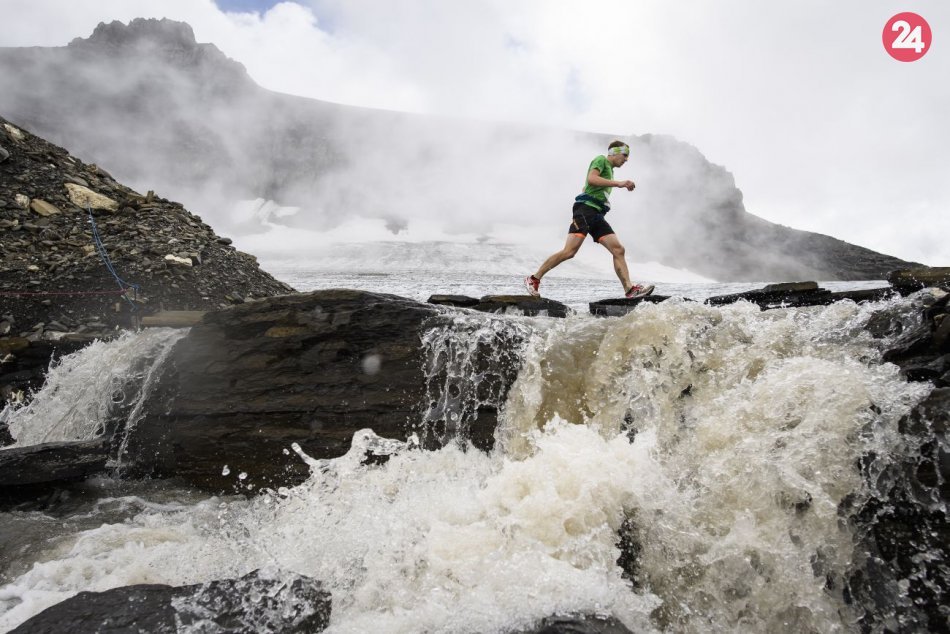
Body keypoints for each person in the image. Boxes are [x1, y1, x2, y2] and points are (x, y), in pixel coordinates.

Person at [524, 140, 654, 299]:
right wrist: (619, 183)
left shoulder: (610, 170)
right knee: (569, 252)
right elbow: (592, 179)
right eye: (624, 155)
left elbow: (589, 185)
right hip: (585, 210)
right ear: (613, 152)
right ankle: (533, 279)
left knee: (618, 250)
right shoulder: (601, 160)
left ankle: (629, 290)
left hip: (597, 214)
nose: (626, 159)